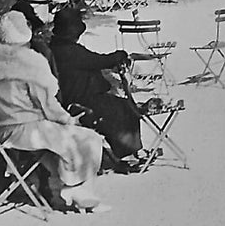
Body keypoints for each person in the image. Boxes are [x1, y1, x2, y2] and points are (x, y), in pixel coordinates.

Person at [0, 10, 108, 211]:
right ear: (26, 32)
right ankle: (75, 188)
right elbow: (48, 106)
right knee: (89, 138)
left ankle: (76, 190)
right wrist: (68, 119)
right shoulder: (32, 61)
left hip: (2, 133)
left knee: (67, 143)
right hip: (30, 130)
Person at [48, 12, 150, 172]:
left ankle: (129, 151)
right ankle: (128, 155)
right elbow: (99, 60)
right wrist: (120, 55)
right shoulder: (70, 51)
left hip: (70, 97)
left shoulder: (55, 47)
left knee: (118, 105)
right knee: (122, 108)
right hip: (80, 100)